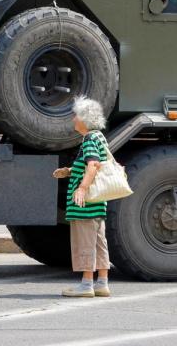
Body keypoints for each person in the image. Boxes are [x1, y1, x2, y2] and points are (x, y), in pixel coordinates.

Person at [53, 96, 112, 298]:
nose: (73, 120)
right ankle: (102, 283)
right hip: (98, 203)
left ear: (85, 119)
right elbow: (95, 163)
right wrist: (69, 171)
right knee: (98, 242)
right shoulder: (99, 137)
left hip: (85, 204)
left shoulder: (88, 140)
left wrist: (81, 189)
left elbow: (93, 165)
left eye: (76, 116)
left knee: (85, 242)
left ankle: (87, 285)